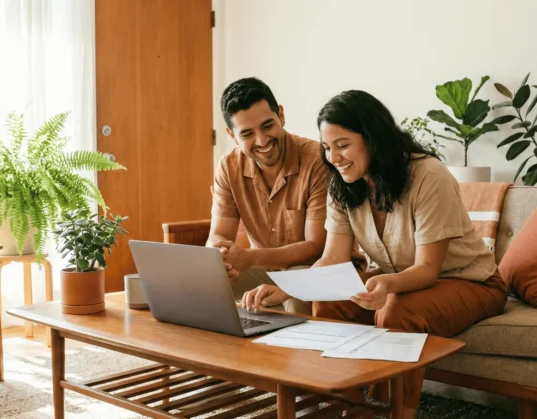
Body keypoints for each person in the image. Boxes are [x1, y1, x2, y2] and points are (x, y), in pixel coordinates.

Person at [241, 90, 507, 418]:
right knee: (329, 302)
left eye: (343, 145)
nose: (334, 157)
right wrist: (285, 289)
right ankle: (349, 407)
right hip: (403, 282)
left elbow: (427, 269)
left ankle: (391, 412)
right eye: (327, 147)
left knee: (397, 310)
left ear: (372, 138)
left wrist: (388, 285)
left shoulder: (427, 175)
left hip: (472, 282)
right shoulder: (342, 185)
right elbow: (332, 259)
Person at [207, 77, 329, 314]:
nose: (262, 141)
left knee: (295, 296)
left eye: (267, 126)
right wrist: (221, 257)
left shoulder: (317, 160)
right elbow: (218, 235)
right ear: (231, 135)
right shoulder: (229, 166)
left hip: (314, 268)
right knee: (206, 284)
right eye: (247, 134)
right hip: (264, 269)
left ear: (281, 115)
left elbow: (316, 247)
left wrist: (249, 258)